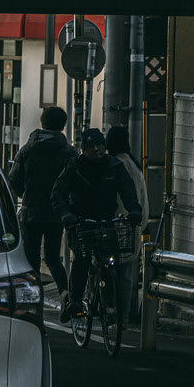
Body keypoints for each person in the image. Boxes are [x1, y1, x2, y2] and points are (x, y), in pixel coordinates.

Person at [53, 128, 142, 326]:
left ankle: (112, 305)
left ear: (105, 146)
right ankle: (75, 302)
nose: (96, 150)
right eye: (91, 146)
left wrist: (134, 210)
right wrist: (66, 215)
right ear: (83, 149)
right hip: (81, 222)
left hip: (106, 222)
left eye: (99, 145)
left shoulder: (115, 167)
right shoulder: (74, 167)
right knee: (82, 258)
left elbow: (128, 192)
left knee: (112, 260)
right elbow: (58, 195)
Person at [8, 105, 74, 307]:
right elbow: (75, 182)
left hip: (32, 212)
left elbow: (13, 179)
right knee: (53, 258)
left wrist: (26, 195)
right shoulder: (68, 152)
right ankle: (64, 292)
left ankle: (34, 301)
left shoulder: (28, 149)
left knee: (31, 259)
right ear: (63, 126)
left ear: (42, 124)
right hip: (57, 213)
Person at [105, 126, 149, 321]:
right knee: (127, 274)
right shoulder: (134, 165)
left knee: (111, 270)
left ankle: (115, 312)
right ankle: (128, 314)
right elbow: (143, 200)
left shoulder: (114, 165)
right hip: (133, 225)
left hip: (113, 223)